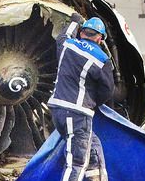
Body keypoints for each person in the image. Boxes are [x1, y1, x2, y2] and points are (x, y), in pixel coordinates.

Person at [48, 15, 115, 181]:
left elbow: (63, 35)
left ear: (82, 32)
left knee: (93, 148)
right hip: (78, 114)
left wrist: (74, 21)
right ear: (100, 38)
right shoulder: (102, 59)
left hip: (57, 111)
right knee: (77, 163)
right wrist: (93, 103)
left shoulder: (67, 45)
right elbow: (107, 90)